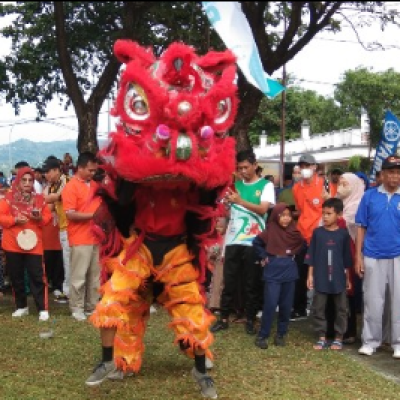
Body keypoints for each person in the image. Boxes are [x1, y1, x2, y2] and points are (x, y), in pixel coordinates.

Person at [211, 150, 275, 335]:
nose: (243, 171)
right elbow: (227, 212)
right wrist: (227, 206)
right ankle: (223, 318)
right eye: (239, 168)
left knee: (251, 281)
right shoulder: (235, 185)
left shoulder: (266, 185)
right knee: (229, 280)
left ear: (255, 165)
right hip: (233, 239)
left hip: (254, 241)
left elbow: (263, 210)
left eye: (246, 167)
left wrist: (240, 200)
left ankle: (250, 318)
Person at [355, 155, 400, 357]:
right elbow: (361, 228)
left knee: (398, 301)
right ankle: (371, 341)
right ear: (382, 174)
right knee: (373, 300)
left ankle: (397, 342)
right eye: (391, 172)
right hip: (372, 254)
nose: (395, 176)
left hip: (398, 255)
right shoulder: (369, 196)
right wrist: (358, 256)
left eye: (398, 173)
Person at [0, 167, 52, 320]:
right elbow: (1, 217)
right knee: (16, 276)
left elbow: (47, 218)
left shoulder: (39, 199)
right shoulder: (8, 198)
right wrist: (14, 220)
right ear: (18, 181)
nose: (27, 183)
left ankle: (42, 308)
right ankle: (21, 306)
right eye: (24, 180)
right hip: (12, 243)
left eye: (30, 180)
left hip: (34, 244)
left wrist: (39, 219)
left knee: (37, 276)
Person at [253, 203, 304, 349]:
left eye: (289, 215)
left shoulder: (294, 232)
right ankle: (263, 335)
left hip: (289, 269)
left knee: (286, 305)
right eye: (282, 215)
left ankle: (281, 333)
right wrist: (264, 256)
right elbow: (256, 243)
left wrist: (292, 255)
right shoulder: (270, 230)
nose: (286, 219)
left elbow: (302, 245)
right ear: (276, 216)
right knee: (270, 304)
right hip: (273, 269)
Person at [306, 198, 352, 350]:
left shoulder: (343, 235)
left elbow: (347, 260)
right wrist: (310, 276)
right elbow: (311, 255)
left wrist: (348, 278)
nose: (325, 217)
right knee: (318, 307)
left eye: (329, 214)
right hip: (321, 277)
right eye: (323, 213)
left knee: (342, 308)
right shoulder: (317, 233)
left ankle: (339, 337)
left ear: (339, 215)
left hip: (339, 278)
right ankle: (321, 336)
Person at [62, 152, 101, 321]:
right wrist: (93, 216)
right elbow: (70, 214)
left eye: (94, 171)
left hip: (96, 237)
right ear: (80, 167)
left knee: (95, 276)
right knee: (78, 276)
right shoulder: (70, 187)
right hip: (79, 238)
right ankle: (77, 308)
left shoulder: (94, 186)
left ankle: (92, 306)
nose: (93, 173)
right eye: (90, 170)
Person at [291, 153, 325, 320]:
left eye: (307, 166)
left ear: (315, 167)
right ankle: (300, 308)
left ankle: (320, 309)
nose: (304, 169)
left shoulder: (324, 185)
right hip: (302, 235)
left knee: (321, 273)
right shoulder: (297, 187)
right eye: (302, 166)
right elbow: (300, 209)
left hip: (319, 235)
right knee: (300, 272)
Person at [43, 157, 70, 302]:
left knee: (69, 261)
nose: (46, 175)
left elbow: (55, 197)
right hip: (63, 227)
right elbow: (50, 206)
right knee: (66, 260)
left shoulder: (67, 181)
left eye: (48, 171)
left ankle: (68, 292)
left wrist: (43, 198)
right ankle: (68, 290)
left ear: (56, 170)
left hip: (71, 227)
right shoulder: (54, 184)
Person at [207, 216, 228, 312]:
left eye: (220, 227)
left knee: (221, 285)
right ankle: (214, 304)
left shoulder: (227, 238)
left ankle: (219, 305)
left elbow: (219, 249)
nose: (218, 229)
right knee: (216, 284)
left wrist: (212, 250)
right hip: (218, 265)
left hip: (224, 264)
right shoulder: (219, 237)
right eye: (217, 227)